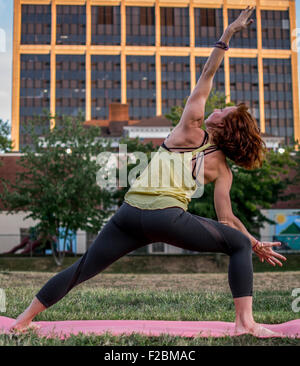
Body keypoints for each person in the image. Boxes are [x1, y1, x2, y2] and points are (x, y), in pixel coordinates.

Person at [10, 7, 287, 337]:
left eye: (224, 110)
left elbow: (207, 76)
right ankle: (245, 324)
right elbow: (227, 221)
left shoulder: (191, 127)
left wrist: (227, 34)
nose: (217, 106)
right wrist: (251, 243)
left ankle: (22, 321)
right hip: (165, 219)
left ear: (224, 125)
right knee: (237, 245)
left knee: (81, 269)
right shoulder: (221, 169)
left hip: (128, 214)